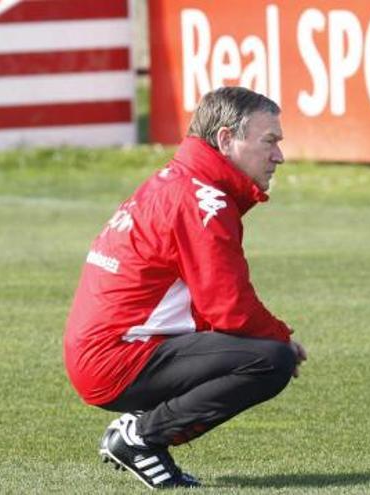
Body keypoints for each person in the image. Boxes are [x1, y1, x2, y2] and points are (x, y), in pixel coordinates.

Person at [63, 86, 306, 489]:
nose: (278, 155)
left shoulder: (177, 181)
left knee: (260, 350)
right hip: (117, 358)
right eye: (269, 141)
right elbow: (230, 309)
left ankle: (139, 434)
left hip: (106, 350)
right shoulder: (201, 200)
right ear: (226, 140)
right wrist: (283, 339)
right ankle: (140, 438)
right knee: (270, 360)